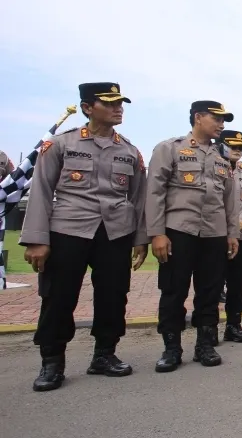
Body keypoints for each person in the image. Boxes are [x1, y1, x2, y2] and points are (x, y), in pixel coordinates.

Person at [19, 82, 148, 391]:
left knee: (114, 295)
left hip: (115, 232)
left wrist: (140, 238)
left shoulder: (129, 151)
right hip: (68, 229)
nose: (119, 108)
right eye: (110, 103)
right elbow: (41, 191)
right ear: (88, 108)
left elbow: (139, 198)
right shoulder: (61, 144)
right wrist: (38, 239)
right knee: (59, 296)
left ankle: (104, 354)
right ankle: (52, 361)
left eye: (121, 103)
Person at [146, 100, 240, 372]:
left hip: (214, 233)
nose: (222, 125)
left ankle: (205, 344)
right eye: (217, 119)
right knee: (174, 290)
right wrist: (157, 233)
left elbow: (229, 201)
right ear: (199, 117)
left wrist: (231, 233)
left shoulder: (222, 158)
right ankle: (171, 347)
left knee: (210, 290)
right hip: (179, 230)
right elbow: (154, 193)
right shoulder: (170, 149)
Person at [217, 129, 242, 344]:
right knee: (211, 284)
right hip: (217, 235)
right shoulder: (213, 165)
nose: (238, 151)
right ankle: (208, 330)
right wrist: (231, 222)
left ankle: (233, 325)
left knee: (237, 283)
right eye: (234, 147)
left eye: (241, 148)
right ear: (221, 145)